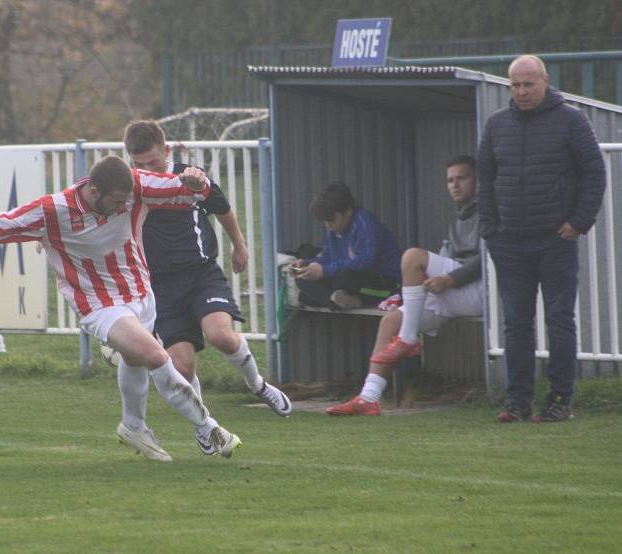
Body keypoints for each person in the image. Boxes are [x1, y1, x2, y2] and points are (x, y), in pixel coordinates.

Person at [0, 155, 242, 461]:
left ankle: (133, 426)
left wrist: (199, 181)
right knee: (154, 356)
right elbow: (0, 224)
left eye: (127, 200)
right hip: (97, 304)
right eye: (117, 201)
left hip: (140, 293)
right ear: (94, 192)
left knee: (135, 360)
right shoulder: (53, 211)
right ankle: (209, 427)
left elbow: (185, 190)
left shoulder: (135, 185)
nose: (124, 206)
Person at [123, 120, 291, 453]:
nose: (146, 170)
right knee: (182, 366)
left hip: (201, 274)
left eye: (152, 163)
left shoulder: (191, 177)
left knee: (220, 335)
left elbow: (223, 208)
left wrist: (239, 246)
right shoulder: (131, 185)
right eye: (138, 164)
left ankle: (257, 384)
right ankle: (206, 426)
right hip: (160, 288)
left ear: (167, 150)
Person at [477, 54, 606, 423]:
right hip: (508, 242)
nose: (521, 91)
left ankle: (559, 400)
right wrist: (490, 228)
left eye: (528, 84)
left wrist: (579, 222)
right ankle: (517, 402)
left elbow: (594, 174)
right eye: (515, 85)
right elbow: (484, 176)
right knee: (516, 322)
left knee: (559, 320)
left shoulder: (571, 121)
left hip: (555, 240)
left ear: (545, 81)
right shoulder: (497, 124)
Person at [326, 156, 482, 415]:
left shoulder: (489, 210)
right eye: (450, 180)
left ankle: (409, 339)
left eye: (462, 178)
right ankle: (368, 399)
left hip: (481, 291)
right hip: (455, 293)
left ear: (478, 180)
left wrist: (449, 279)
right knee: (390, 321)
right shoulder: (459, 215)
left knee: (411, 257)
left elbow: (488, 259)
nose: (455, 185)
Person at [291, 182, 401, 310]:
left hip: (383, 282)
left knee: (346, 277)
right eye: (325, 221)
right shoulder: (333, 230)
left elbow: (365, 263)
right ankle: (335, 301)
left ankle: (327, 300)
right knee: (302, 278)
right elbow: (328, 258)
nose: (327, 225)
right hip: (348, 282)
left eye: (331, 220)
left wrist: (324, 271)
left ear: (348, 211)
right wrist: (306, 263)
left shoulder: (366, 225)